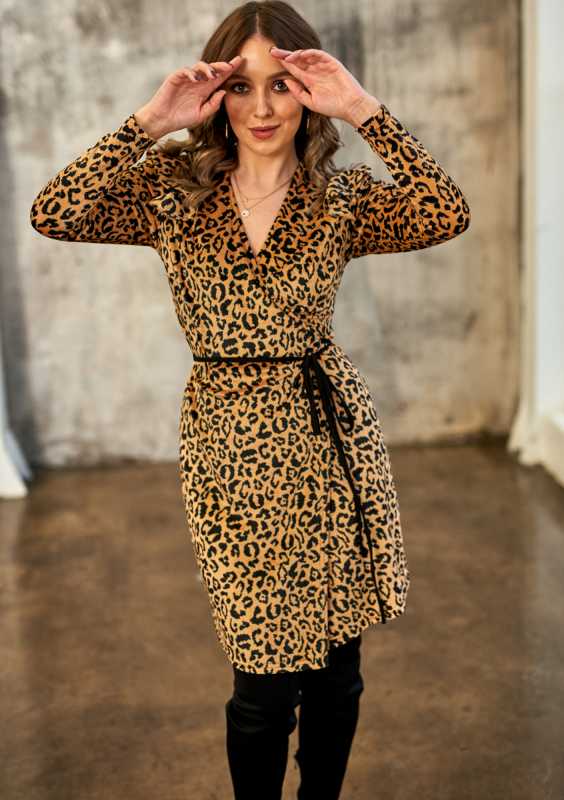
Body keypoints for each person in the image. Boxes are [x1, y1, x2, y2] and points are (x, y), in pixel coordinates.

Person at [30, 1, 471, 797]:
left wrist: (363, 108)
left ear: (308, 92)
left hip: (329, 441)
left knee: (336, 673)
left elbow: (447, 212)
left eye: (282, 84)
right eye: (241, 86)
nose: (262, 108)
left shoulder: (341, 198)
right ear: (216, 95)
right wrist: (149, 123)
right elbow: (52, 212)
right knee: (262, 689)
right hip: (228, 452)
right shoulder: (172, 189)